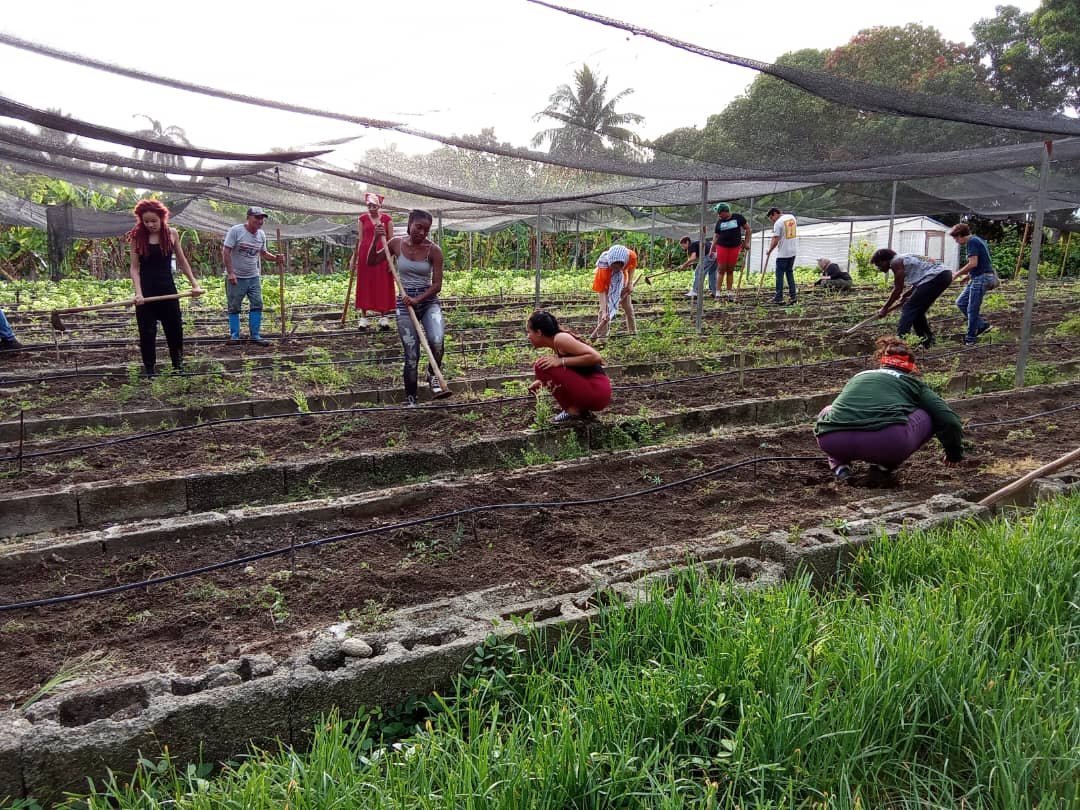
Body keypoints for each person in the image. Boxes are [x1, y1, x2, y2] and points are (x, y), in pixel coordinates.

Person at [814, 335, 964, 484]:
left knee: (829, 409)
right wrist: (954, 454)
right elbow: (948, 419)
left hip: (833, 440)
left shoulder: (860, 376)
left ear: (882, 362)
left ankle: (840, 467)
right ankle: (882, 468)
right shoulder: (911, 383)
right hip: (885, 442)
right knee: (930, 414)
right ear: (910, 368)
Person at [371, 209, 446, 405]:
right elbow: (372, 261)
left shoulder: (434, 250)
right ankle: (411, 397)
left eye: (426, 229)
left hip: (427, 301)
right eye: (418, 227)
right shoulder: (395, 243)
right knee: (412, 352)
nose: (422, 232)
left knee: (437, 341)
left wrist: (418, 299)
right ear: (410, 224)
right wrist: (375, 239)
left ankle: (433, 376)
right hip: (404, 303)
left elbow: (437, 285)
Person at [127, 199, 204, 376]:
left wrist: (194, 284)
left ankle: (178, 366)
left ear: (162, 218)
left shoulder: (172, 234)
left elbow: (183, 261)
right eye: (146, 221)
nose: (150, 224)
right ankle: (149, 370)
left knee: (174, 329)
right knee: (147, 332)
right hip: (146, 292)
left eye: (154, 220)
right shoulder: (137, 237)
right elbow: (135, 268)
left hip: (168, 290)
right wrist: (139, 294)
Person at [527, 310, 611, 424]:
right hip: (596, 392)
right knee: (544, 366)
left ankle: (572, 411)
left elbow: (595, 357)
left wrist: (560, 361)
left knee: (541, 366)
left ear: (539, 332)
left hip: (596, 389)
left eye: (529, 332)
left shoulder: (560, 339)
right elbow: (571, 373)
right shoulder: (557, 344)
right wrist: (542, 383)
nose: (528, 336)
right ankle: (578, 410)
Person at [222, 206, 284, 346]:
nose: (260, 221)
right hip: (236, 277)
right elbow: (226, 252)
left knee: (257, 304)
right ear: (248, 217)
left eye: (262, 218)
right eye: (257, 217)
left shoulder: (261, 235)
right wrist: (231, 272)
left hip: (253, 276)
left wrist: (276, 258)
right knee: (234, 306)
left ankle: (255, 336)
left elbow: (263, 253)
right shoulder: (236, 231)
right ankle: (235, 336)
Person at [871, 248, 953, 348]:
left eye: (878, 264)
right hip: (944, 275)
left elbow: (897, 290)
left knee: (908, 308)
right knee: (917, 311)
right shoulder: (904, 258)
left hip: (936, 276)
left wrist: (885, 308)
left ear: (884, 260)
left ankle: (899, 344)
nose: (879, 267)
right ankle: (927, 341)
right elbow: (918, 282)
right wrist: (906, 295)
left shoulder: (895, 262)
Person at [353, 192, 395, 330]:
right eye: (369, 205)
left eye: (374, 205)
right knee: (365, 284)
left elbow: (391, 241)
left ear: (379, 205)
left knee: (382, 282)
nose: (371, 207)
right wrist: (355, 258)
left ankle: (383, 316)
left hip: (382, 254)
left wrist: (391, 259)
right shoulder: (362, 219)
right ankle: (364, 317)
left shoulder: (387, 219)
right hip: (366, 255)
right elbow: (360, 239)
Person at [949, 223, 996, 345]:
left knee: (972, 308)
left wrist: (957, 274)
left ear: (960, 235)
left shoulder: (972, 242)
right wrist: (968, 276)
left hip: (982, 278)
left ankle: (970, 339)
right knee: (961, 302)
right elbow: (981, 263)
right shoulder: (976, 240)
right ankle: (982, 325)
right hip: (978, 277)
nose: (955, 241)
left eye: (955, 238)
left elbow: (973, 263)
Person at [591, 244, 635, 340]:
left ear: (623, 263)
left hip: (622, 283)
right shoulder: (603, 269)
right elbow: (601, 290)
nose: (615, 270)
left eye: (618, 268)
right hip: (607, 286)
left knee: (628, 309)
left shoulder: (630, 256)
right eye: (613, 267)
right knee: (604, 312)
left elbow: (632, 266)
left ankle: (633, 335)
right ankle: (602, 339)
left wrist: (630, 283)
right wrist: (604, 311)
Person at [711, 203, 750, 296]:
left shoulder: (738, 217)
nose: (718, 215)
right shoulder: (719, 222)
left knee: (730, 270)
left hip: (735, 247)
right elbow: (716, 235)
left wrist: (746, 243)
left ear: (725, 212)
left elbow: (748, 229)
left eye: (719, 213)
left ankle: (729, 291)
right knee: (721, 269)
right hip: (722, 247)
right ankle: (718, 292)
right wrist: (712, 248)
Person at [764, 207, 798, 305]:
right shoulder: (792, 218)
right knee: (789, 273)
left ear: (775, 213)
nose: (772, 220)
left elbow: (775, 239)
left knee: (779, 275)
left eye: (771, 217)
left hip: (783, 254)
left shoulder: (778, 223)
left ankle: (779, 297)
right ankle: (793, 296)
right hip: (793, 252)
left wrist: (769, 250)